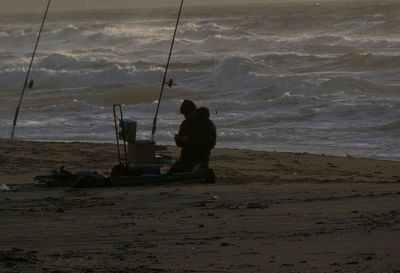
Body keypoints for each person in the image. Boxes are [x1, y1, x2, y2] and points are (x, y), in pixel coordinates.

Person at [167, 100, 216, 174]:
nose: (185, 116)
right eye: (184, 115)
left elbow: (210, 143)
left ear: (193, 111)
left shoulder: (206, 123)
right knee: (171, 174)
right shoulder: (185, 123)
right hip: (185, 159)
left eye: (187, 114)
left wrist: (190, 140)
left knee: (194, 172)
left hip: (200, 160)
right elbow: (181, 144)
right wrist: (179, 140)